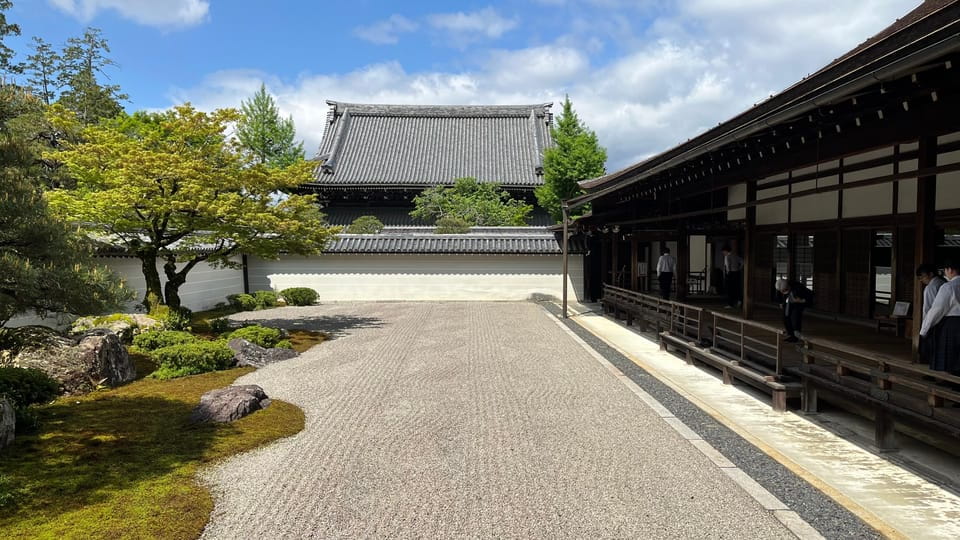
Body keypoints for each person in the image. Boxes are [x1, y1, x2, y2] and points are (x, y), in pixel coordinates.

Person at [920, 260, 960, 376]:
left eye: (945, 270)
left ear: (950, 270)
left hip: (952, 325)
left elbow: (937, 310)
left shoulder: (948, 287)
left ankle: (953, 383)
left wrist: (924, 329)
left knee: (952, 357)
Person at [917, 263, 947, 368]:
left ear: (930, 274)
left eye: (922, 276)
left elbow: (929, 309)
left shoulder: (931, 287)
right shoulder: (944, 283)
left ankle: (932, 372)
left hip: (934, 321)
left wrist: (925, 325)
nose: (921, 280)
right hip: (945, 321)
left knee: (931, 349)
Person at [775, 278, 813, 343]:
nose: (782, 292)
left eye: (784, 291)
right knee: (785, 317)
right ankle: (790, 335)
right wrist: (780, 302)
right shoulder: (780, 285)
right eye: (782, 291)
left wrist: (800, 300)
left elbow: (810, 297)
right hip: (789, 301)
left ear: (788, 287)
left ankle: (796, 335)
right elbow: (778, 294)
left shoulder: (798, 287)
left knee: (795, 316)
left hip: (799, 302)